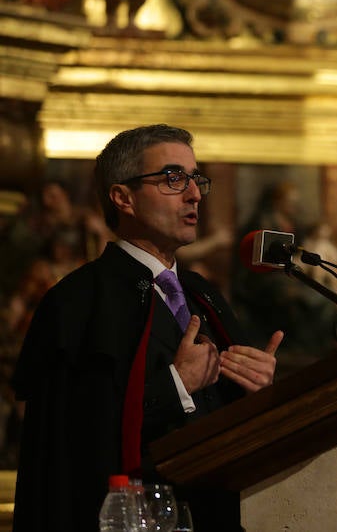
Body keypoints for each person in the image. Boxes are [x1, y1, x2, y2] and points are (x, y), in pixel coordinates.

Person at [11, 124, 284, 531]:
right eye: (174, 179)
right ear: (123, 198)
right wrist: (176, 385)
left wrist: (257, 391)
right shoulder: (76, 301)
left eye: (196, 179)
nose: (194, 194)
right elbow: (68, 439)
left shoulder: (202, 294)